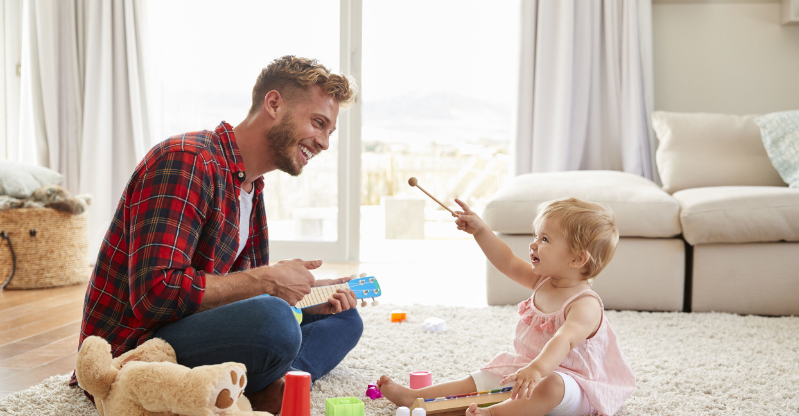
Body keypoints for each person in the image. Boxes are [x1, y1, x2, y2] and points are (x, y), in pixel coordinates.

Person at [70, 55, 363, 414]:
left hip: (188, 328)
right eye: (318, 123)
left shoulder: (251, 189)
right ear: (274, 104)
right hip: (136, 349)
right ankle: (260, 385)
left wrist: (305, 294)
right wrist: (269, 283)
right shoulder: (186, 161)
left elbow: (238, 294)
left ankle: (276, 383)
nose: (324, 143)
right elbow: (154, 294)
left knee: (343, 317)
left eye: (330, 132)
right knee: (275, 322)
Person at [378, 197, 636, 416]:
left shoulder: (585, 304)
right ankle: (414, 396)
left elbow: (564, 339)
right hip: (529, 369)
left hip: (576, 386)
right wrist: (480, 231)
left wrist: (537, 370)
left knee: (553, 385)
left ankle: (494, 413)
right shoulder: (542, 281)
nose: (534, 244)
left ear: (577, 258)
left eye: (545, 239)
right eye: (536, 236)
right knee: (489, 375)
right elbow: (508, 261)